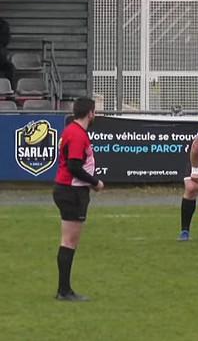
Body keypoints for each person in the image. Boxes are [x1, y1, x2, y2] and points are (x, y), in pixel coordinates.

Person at [53, 97, 103, 301]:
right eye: (94, 112)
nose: (95, 115)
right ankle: (64, 290)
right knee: (69, 241)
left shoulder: (73, 131)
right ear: (89, 113)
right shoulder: (76, 134)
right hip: (71, 191)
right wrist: (95, 182)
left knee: (68, 240)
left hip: (68, 189)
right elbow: (74, 166)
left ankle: (64, 289)